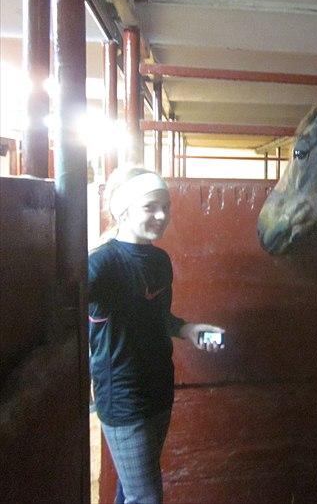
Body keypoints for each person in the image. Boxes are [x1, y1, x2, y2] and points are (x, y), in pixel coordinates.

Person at [88, 166, 225, 504]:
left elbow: (159, 317)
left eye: (166, 206)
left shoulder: (159, 260)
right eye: (150, 207)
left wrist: (188, 329)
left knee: (132, 487)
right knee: (145, 496)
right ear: (124, 210)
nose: (162, 215)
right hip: (122, 396)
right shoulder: (101, 264)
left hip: (159, 390)